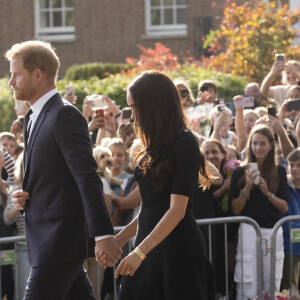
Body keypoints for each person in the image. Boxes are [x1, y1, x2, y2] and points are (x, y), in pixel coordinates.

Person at [5, 40, 122, 300]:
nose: (11, 82)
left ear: (37, 74)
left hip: (60, 241)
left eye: (16, 75)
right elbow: (51, 179)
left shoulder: (64, 115)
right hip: (48, 239)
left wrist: (103, 234)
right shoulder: (33, 117)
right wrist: (22, 197)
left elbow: (87, 177)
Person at [109, 70, 215, 299]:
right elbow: (151, 208)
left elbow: (176, 211)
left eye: (137, 108)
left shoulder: (185, 142)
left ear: (154, 106)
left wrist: (139, 253)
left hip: (177, 251)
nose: (134, 116)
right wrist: (120, 239)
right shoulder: (148, 146)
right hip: (148, 247)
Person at [231, 124, 289, 299]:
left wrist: (267, 193)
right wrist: (247, 188)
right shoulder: (240, 171)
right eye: (254, 143)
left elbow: (284, 208)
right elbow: (235, 210)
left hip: (272, 230)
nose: (258, 147)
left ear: (271, 145)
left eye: (262, 143)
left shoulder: (279, 171)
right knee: (247, 276)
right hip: (248, 230)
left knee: (272, 276)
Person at [281, 148, 300, 292]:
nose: (294, 169)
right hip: (290, 246)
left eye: (298, 165)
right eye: (291, 165)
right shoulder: (284, 186)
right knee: (289, 288)